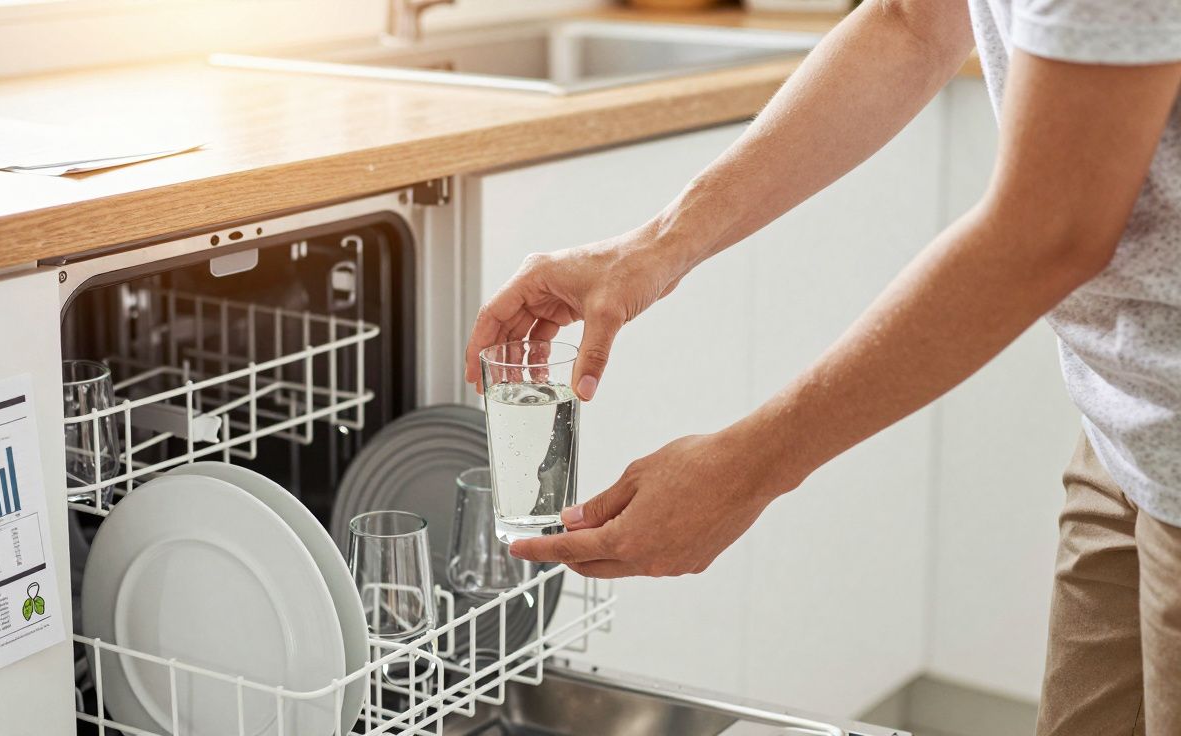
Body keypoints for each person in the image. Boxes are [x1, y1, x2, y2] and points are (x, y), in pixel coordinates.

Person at [462, 0, 1181, 732]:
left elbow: (1048, 231)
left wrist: (746, 471)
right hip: (1123, 418)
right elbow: (911, 23)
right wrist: (653, 247)